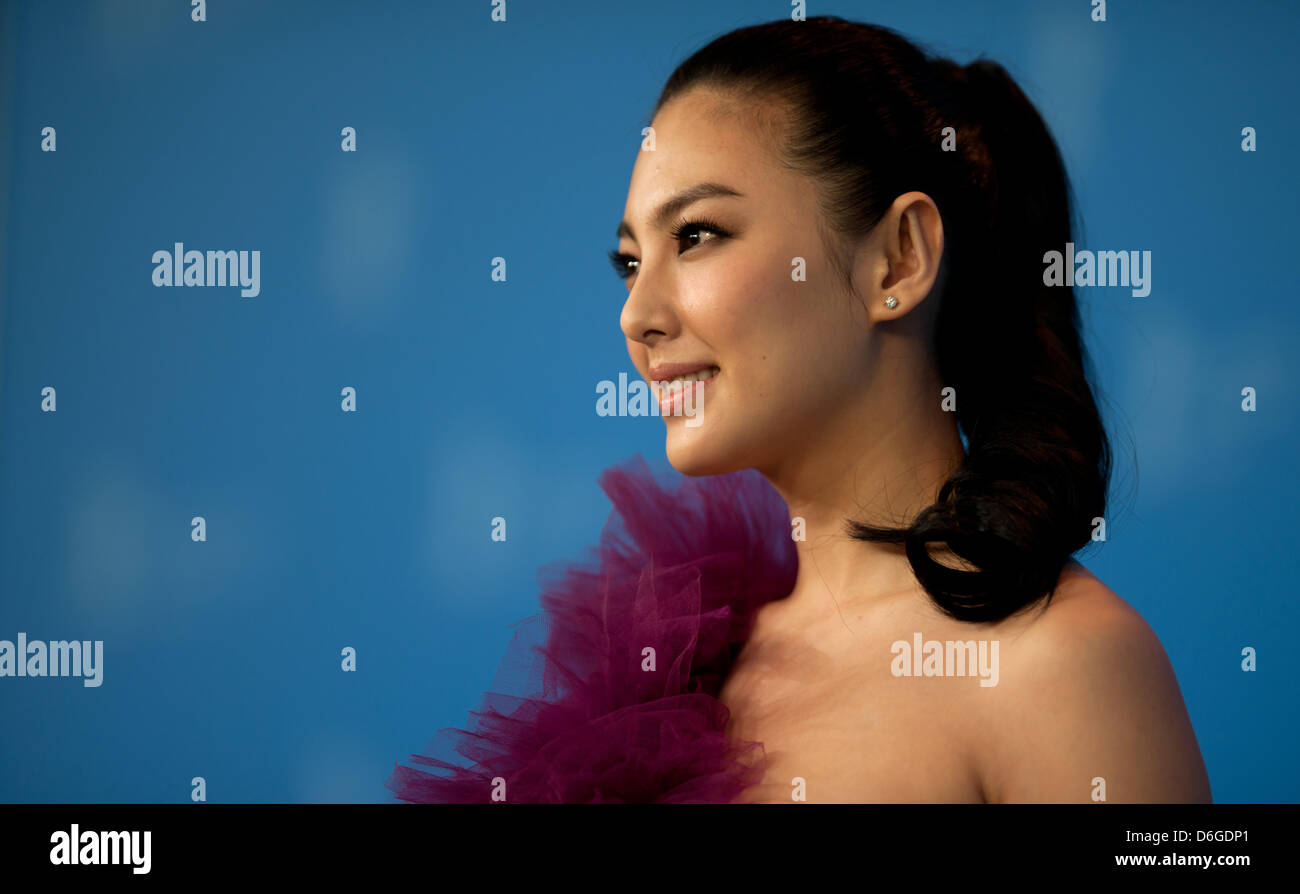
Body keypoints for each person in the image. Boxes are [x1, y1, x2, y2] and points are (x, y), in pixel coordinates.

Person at [387, 15, 1212, 804]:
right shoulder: (678, 666)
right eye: (630, 262)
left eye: (698, 235)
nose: (636, 316)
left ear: (899, 258)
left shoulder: (1066, 664)